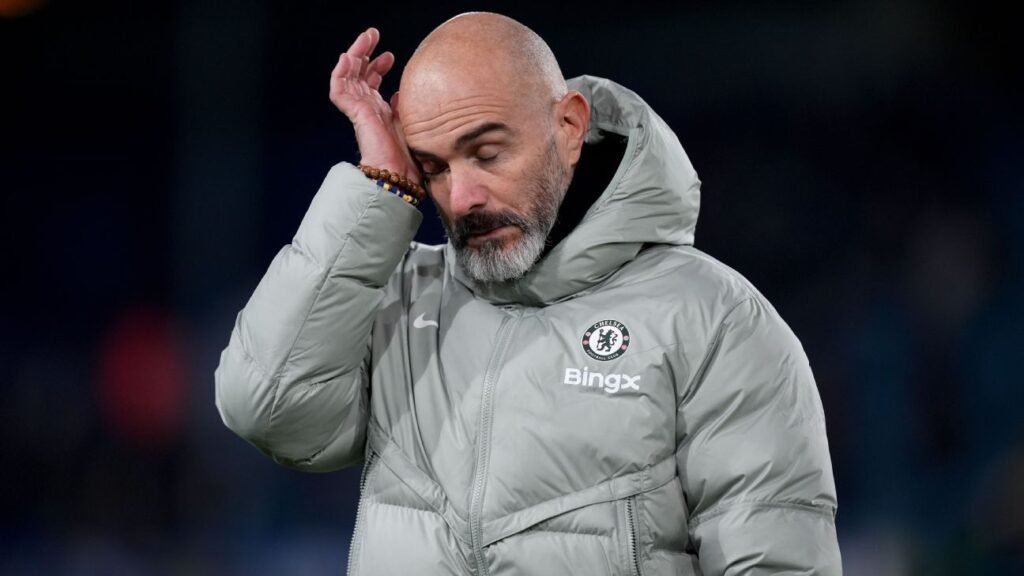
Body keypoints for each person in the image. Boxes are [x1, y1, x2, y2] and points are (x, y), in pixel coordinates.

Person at [215, 11, 841, 575]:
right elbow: (268, 408)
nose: (462, 198)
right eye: (433, 168)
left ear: (569, 126)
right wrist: (380, 184)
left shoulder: (714, 318)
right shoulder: (401, 299)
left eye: (487, 153)